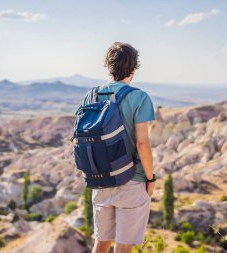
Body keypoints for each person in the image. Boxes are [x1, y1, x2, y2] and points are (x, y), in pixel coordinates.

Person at [80, 42, 156, 253]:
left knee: (101, 242)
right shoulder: (139, 98)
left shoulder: (91, 96)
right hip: (131, 180)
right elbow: (142, 144)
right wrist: (150, 178)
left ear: (108, 65)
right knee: (123, 247)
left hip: (100, 179)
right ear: (134, 68)